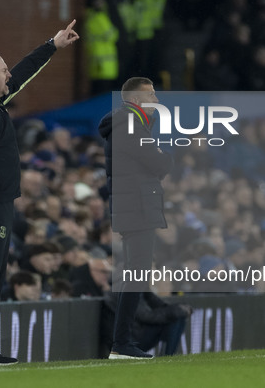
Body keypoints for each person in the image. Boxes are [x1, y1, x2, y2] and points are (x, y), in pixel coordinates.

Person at [0, 20, 79, 368]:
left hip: (1, 201)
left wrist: (52, 46)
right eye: (2, 70)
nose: (9, 75)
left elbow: (23, 73)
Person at [98, 77, 173, 359]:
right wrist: (164, 158)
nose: (156, 99)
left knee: (137, 273)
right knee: (136, 274)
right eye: (151, 95)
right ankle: (121, 343)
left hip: (135, 205)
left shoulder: (128, 124)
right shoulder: (130, 125)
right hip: (137, 207)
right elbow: (158, 162)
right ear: (136, 100)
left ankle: (122, 342)